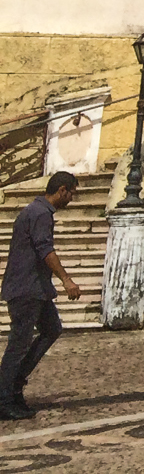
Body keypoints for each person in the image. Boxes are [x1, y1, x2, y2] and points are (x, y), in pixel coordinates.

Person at [1, 172, 82, 419]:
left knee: (52, 329)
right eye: (71, 194)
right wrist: (66, 280)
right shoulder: (39, 214)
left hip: (37, 288)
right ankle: (4, 398)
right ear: (62, 190)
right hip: (27, 289)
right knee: (18, 344)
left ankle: (15, 384)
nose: (71, 199)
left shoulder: (36, 212)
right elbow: (45, 249)